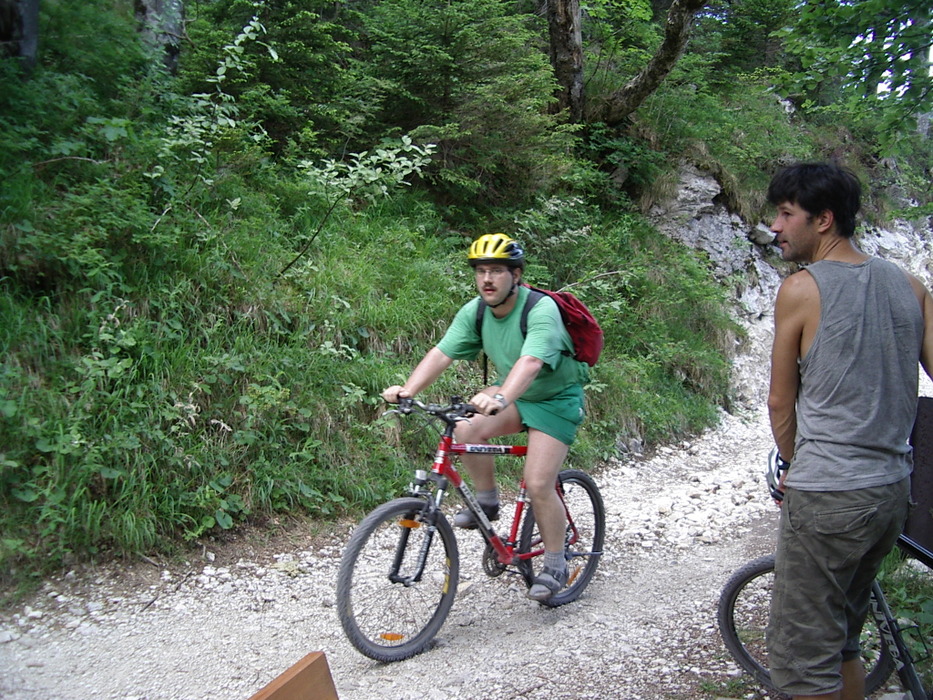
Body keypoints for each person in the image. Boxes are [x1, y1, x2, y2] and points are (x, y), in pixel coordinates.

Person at [765, 161, 933, 700]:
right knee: (843, 642)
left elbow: (779, 401)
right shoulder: (910, 285)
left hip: (829, 494)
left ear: (824, 220)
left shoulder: (802, 289)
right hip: (889, 492)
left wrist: (795, 465)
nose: (775, 225)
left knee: (802, 660)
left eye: (786, 214)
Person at [381, 232, 588, 601]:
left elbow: (531, 361)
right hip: (511, 393)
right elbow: (442, 352)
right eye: (480, 271)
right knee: (463, 426)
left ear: (517, 275)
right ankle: (486, 502)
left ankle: (556, 562)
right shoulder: (476, 311)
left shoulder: (540, 309)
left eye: (496, 270)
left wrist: (502, 396)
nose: (487, 279)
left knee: (539, 482)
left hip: (555, 398)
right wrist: (409, 390)